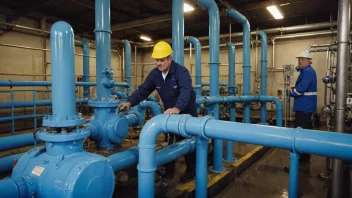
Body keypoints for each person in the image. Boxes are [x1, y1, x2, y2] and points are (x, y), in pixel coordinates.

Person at [119, 41, 197, 182]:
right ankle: (169, 169)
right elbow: (144, 90)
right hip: (170, 112)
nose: (158, 63)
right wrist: (130, 102)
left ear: (169, 58)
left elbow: (185, 92)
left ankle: (191, 170)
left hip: (186, 112)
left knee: (188, 141)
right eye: (156, 60)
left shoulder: (181, 72)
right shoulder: (155, 74)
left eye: (162, 60)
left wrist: (177, 108)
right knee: (171, 140)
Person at [286, 50, 317, 169]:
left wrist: (290, 90)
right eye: (299, 59)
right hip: (305, 107)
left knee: (301, 135)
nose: (299, 61)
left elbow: (300, 90)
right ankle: (304, 158)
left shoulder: (308, 72)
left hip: (304, 107)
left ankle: (300, 161)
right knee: (305, 133)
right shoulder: (306, 72)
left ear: (308, 60)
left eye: (302, 59)